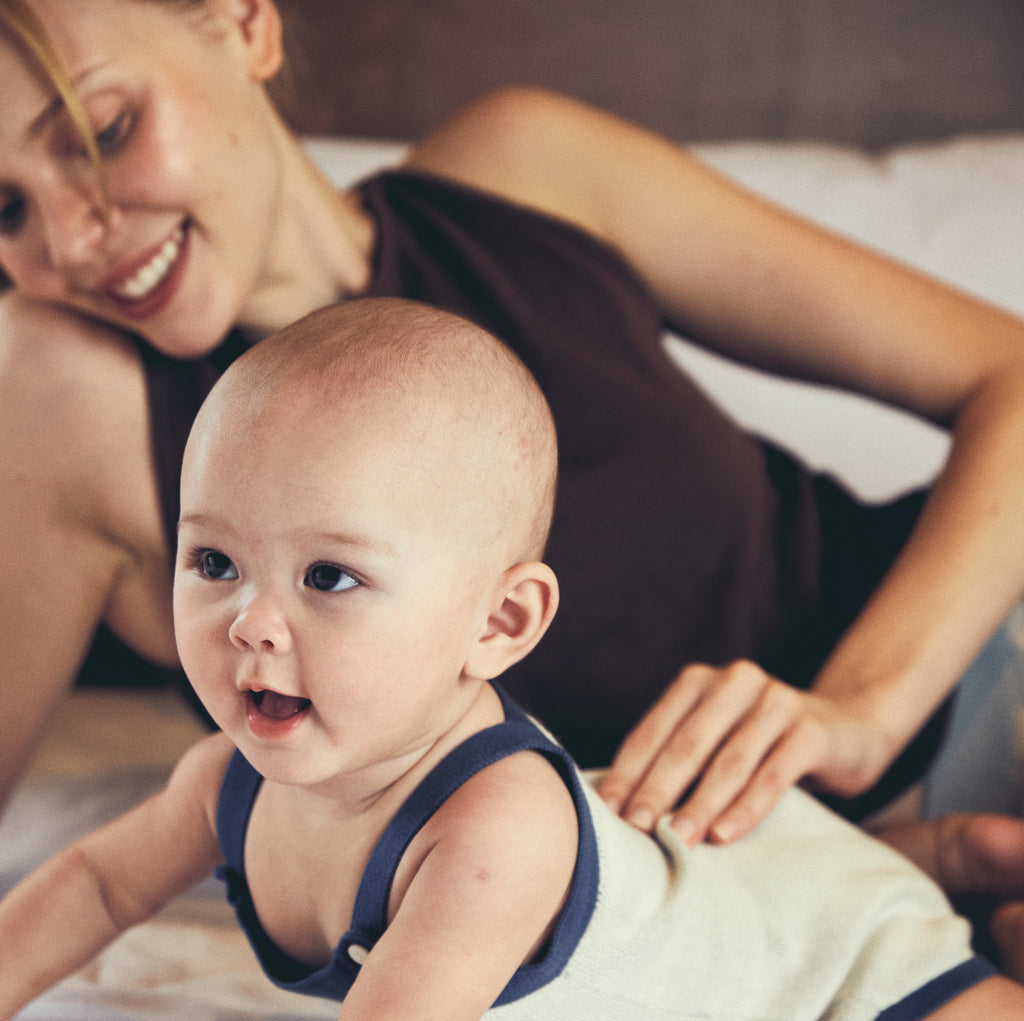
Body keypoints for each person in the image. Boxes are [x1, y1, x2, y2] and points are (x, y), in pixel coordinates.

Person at [1, 297, 1023, 1021]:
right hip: (715, 880)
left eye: (330, 577)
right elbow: (96, 882)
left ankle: (923, 883)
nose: (250, 622)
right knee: (731, 882)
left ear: (498, 623)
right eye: (213, 560)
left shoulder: (493, 829)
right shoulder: (227, 778)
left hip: (817, 968)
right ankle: (940, 857)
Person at [3, 1, 1024, 878]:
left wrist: (857, 710)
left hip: (976, 669)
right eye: (4, 209)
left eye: (103, 131)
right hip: (805, 910)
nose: (69, 241)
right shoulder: (69, 402)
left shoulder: (522, 172)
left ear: (243, 22)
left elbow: (1010, 377)